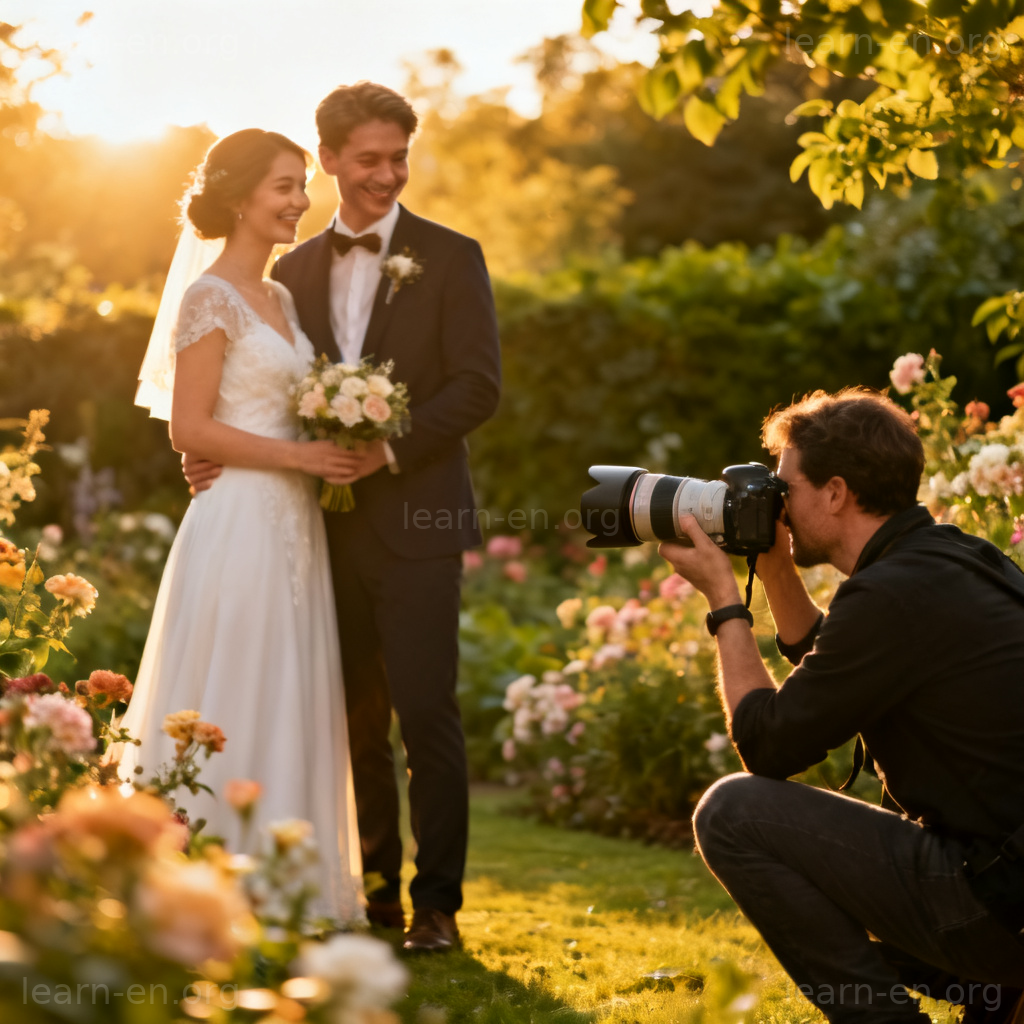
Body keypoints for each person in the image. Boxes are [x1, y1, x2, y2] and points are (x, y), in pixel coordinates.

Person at [185, 83, 502, 952]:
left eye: (399, 159)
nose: (386, 176)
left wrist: (389, 450)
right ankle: (372, 895)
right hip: (317, 529)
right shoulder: (284, 277)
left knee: (426, 714)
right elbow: (255, 395)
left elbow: (478, 386)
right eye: (368, 160)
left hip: (420, 525)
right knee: (350, 717)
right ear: (327, 159)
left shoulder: (453, 254)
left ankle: (437, 906)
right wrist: (205, 447)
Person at [659, 387, 1024, 1024]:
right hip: (1011, 879)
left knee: (733, 812)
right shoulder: (953, 557)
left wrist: (725, 599)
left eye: (786, 488)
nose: (777, 504)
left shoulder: (892, 593)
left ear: (834, 492)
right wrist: (775, 571)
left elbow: (769, 746)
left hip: (999, 901)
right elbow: (840, 667)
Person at [118, 129, 364, 925]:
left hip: (293, 523)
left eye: (301, 186)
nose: (300, 200)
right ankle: (202, 882)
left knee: (286, 679)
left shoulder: (283, 298)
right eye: (285, 187)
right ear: (240, 197)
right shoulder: (209, 297)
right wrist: (303, 458)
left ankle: (279, 883)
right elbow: (189, 428)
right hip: (239, 524)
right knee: (232, 682)